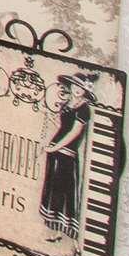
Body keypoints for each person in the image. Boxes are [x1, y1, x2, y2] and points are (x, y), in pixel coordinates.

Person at [39, 74, 93, 245]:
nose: (77, 89)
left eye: (81, 87)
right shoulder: (67, 104)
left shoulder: (84, 109)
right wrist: (50, 119)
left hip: (67, 155)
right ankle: (53, 231)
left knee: (63, 191)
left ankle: (64, 233)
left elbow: (74, 133)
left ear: (85, 90)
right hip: (56, 152)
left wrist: (55, 147)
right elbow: (63, 127)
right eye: (75, 85)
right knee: (52, 190)